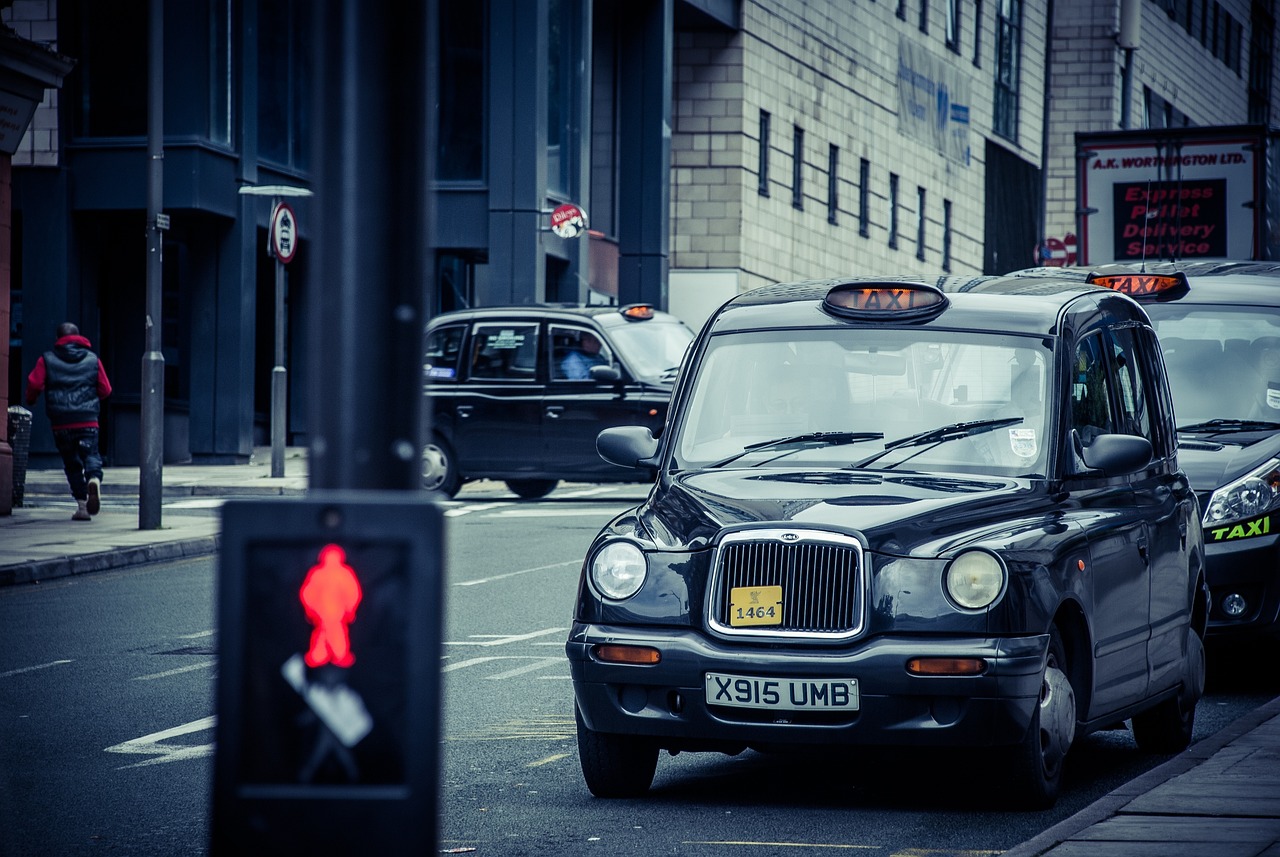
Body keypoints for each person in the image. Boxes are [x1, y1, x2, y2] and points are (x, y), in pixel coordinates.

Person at [26, 322, 113, 521]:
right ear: (78, 337)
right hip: (87, 420)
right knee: (91, 455)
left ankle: (82, 507)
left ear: (59, 339)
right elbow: (106, 390)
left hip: (61, 423)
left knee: (71, 463)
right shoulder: (93, 360)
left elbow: (34, 384)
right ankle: (93, 478)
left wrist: (31, 399)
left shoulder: (46, 359)